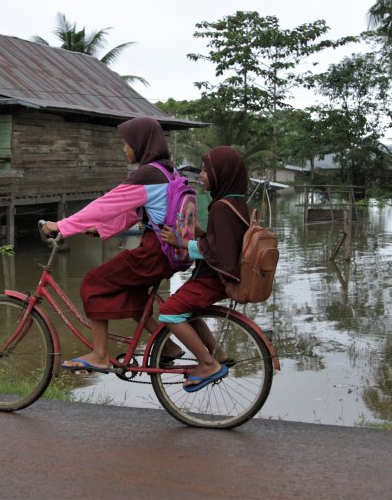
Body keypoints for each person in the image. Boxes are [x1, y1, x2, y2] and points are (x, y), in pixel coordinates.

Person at [42, 116, 184, 373]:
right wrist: (103, 229)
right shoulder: (168, 171)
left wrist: (62, 225)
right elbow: (134, 212)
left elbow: (107, 203)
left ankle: (99, 354)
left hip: (154, 251)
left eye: (127, 143)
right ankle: (169, 346)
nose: (124, 149)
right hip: (169, 252)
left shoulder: (147, 175)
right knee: (131, 294)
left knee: (92, 283)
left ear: (140, 144)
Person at [158, 146, 249, 391]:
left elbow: (218, 252)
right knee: (186, 309)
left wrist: (182, 242)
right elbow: (223, 241)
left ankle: (207, 363)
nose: (201, 175)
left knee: (169, 312)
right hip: (220, 276)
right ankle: (217, 352)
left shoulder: (221, 207)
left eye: (207, 170)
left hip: (213, 278)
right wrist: (202, 233)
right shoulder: (236, 201)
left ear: (222, 173)